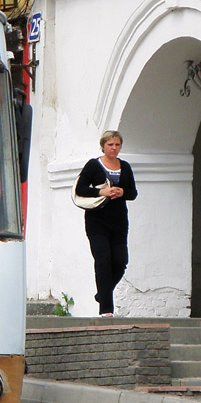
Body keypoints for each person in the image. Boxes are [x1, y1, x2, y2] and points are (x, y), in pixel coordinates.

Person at [75, 130, 137, 316]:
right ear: (103, 145)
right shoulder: (94, 165)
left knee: (120, 261)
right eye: (110, 144)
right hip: (97, 220)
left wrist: (122, 193)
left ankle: (103, 293)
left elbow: (133, 192)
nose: (114, 148)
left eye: (117, 145)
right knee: (103, 261)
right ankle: (106, 309)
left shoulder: (125, 166)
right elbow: (80, 188)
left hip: (119, 220)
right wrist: (101, 192)